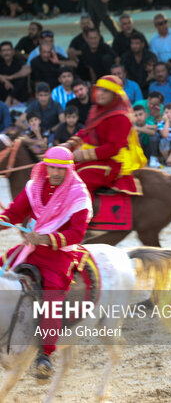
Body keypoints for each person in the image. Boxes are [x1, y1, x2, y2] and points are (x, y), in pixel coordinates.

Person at [0, 146, 92, 379]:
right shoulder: (34, 187)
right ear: (45, 166)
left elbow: (77, 234)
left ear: (69, 169)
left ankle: (45, 355)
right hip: (31, 248)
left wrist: (44, 238)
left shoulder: (79, 194)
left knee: (52, 297)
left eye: (60, 168)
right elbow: (13, 214)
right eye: (51, 167)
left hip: (60, 254)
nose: (55, 173)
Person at [63, 75, 145, 199]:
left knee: (79, 180)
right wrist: (68, 144)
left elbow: (113, 148)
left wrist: (82, 155)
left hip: (114, 160)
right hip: (98, 155)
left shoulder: (121, 116)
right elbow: (87, 132)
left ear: (114, 95)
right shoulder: (97, 109)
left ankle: (85, 215)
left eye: (105, 91)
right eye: (99, 89)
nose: (100, 93)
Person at [0, 41, 31, 105]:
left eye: (8, 50)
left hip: (18, 94)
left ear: (13, 52)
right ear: (0, 53)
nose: (6, 53)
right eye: (3, 50)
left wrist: (11, 77)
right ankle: (9, 99)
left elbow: (28, 70)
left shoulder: (18, 60)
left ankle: (10, 98)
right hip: (3, 94)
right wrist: (4, 79)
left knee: (22, 77)